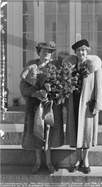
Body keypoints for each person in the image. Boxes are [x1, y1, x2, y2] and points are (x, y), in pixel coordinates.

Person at [20, 41, 64, 174]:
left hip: (50, 106)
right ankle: (38, 162)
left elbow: (62, 85)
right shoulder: (31, 66)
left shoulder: (55, 66)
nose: (46, 54)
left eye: (49, 52)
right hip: (34, 105)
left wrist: (54, 94)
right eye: (44, 51)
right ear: (39, 52)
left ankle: (49, 162)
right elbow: (23, 86)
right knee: (37, 133)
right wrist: (35, 93)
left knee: (49, 133)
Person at [64, 39, 102, 174]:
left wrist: (98, 103)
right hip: (74, 102)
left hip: (88, 104)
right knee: (75, 131)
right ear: (75, 52)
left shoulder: (93, 66)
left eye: (84, 50)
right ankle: (77, 159)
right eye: (79, 50)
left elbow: (99, 85)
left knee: (87, 133)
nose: (82, 53)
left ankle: (85, 160)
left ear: (87, 51)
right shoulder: (71, 66)